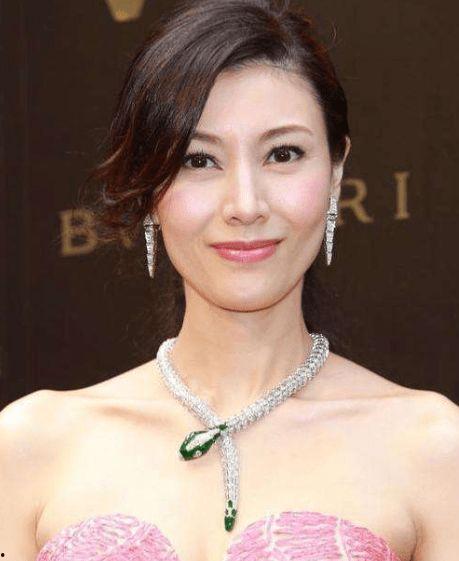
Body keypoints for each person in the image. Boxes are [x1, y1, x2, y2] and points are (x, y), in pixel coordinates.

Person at [1, 0, 458, 560]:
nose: (245, 204)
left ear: (336, 172)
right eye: (198, 160)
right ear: (150, 188)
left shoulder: (432, 450)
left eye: (283, 153)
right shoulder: (30, 448)